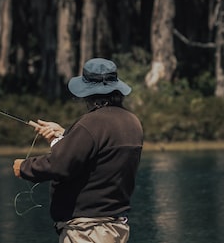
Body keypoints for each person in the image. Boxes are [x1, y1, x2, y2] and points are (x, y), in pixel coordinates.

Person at [13, 58, 143, 243]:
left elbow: (60, 165)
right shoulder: (132, 122)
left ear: (88, 94)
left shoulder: (91, 124)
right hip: (115, 228)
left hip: (88, 232)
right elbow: (100, 153)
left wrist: (24, 167)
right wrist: (65, 135)